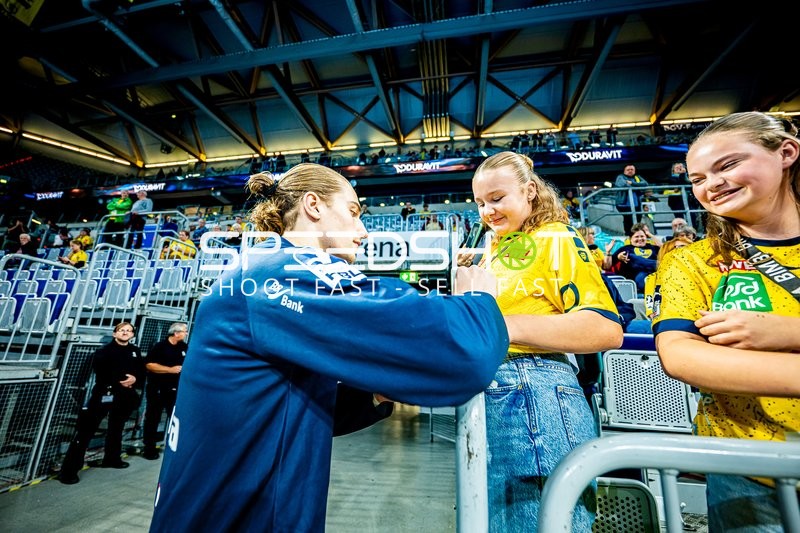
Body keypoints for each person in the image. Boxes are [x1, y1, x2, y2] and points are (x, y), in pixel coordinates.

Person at [149, 164, 509, 532]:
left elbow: (283, 412)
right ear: (313, 206)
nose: (363, 231)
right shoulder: (283, 271)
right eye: (353, 212)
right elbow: (464, 353)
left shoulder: (260, 268)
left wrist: (374, 394)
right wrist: (478, 299)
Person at [652, 111, 800, 532]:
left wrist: (786, 332)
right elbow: (681, 357)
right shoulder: (693, 261)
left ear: (786, 153)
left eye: (728, 165)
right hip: (748, 469)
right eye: (697, 178)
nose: (710, 185)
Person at [464, 152, 623, 532]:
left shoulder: (554, 237)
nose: (488, 211)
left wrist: (503, 325)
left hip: (536, 390)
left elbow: (604, 329)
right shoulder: (497, 248)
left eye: (497, 198)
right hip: (499, 394)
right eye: (481, 203)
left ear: (530, 190)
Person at [58, 322, 145, 484]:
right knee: (85, 432)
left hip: (125, 395)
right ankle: (68, 472)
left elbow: (140, 370)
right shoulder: (104, 352)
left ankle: (112, 459)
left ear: (132, 335)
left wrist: (135, 379)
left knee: (117, 427)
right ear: (115, 334)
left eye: (129, 331)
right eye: (121, 330)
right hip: (105, 394)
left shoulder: (135, 351)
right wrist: (122, 381)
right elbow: (103, 373)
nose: (125, 333)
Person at [141, 323, 188, 460]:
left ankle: (175, 446)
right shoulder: (159, 347)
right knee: (153, 418)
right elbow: (149, 365)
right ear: (176, 333)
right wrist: (170, 369)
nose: (186, 334)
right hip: (158, 389)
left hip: (175, 390)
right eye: (184, 331)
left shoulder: (184, 347)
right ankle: (149, 448)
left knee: (176, 418)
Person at [610, 223, 660, 293]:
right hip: (633, 282)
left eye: (642, 236)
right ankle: (655, 265)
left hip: (653, 276)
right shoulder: (625, 249)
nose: (640, 239)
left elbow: (664, 249)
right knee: (631, 257)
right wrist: (618, 257)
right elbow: (607, 266)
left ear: (646, 237)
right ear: (631, 239)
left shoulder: (653, 248)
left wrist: (650, 234)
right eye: (636, 237)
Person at [614, 164, 649, 234]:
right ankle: (628, 234)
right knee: (628, 219)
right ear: (624, 171)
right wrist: (636, 184)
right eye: (628, 170)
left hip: (636, 204)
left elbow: (645, 184)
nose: (630, 171)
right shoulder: (620, 177)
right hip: (623, 204)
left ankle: (637, 233)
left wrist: (632, 183)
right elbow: (623, 185)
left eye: (632, 169)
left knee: (638, 219)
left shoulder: (637, 177)